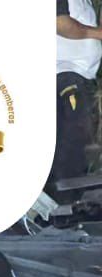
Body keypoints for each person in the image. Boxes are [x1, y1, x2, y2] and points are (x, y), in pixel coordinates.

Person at [53, 0, 102, 185]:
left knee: (79, 138)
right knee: (72, 134)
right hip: (64, 72)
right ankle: (64, 198)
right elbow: (60, 23)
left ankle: (70, 197)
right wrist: (97, 33)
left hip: (80, 75)